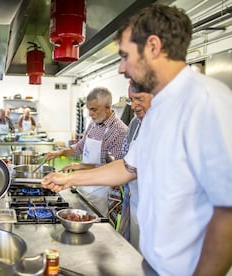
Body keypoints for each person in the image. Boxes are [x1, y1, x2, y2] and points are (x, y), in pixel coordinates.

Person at [42, 5, 232, 275]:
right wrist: (68, 179)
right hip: (154, 262)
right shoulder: (158, 112)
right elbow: (128, 168)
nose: (120, 68)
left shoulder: (206, 102)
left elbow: (227, 213)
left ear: (153, 47)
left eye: (125, 56)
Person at [45, 87, 127, 217]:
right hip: (85, 184)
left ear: (107, 107)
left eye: (94, 109)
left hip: (102, 191)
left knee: (99, 228)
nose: (90, 114)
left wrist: (81, 166)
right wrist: (59, 153)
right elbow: (80, 147)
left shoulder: (119, 131)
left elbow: (116, 169)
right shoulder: (93, 123)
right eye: (89, 109)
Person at [118, 85, 153, 251]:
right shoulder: (135, 124)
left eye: (139, 99)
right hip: (136, 203)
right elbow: (127, 163)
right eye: (131, 100)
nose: (132, 106)